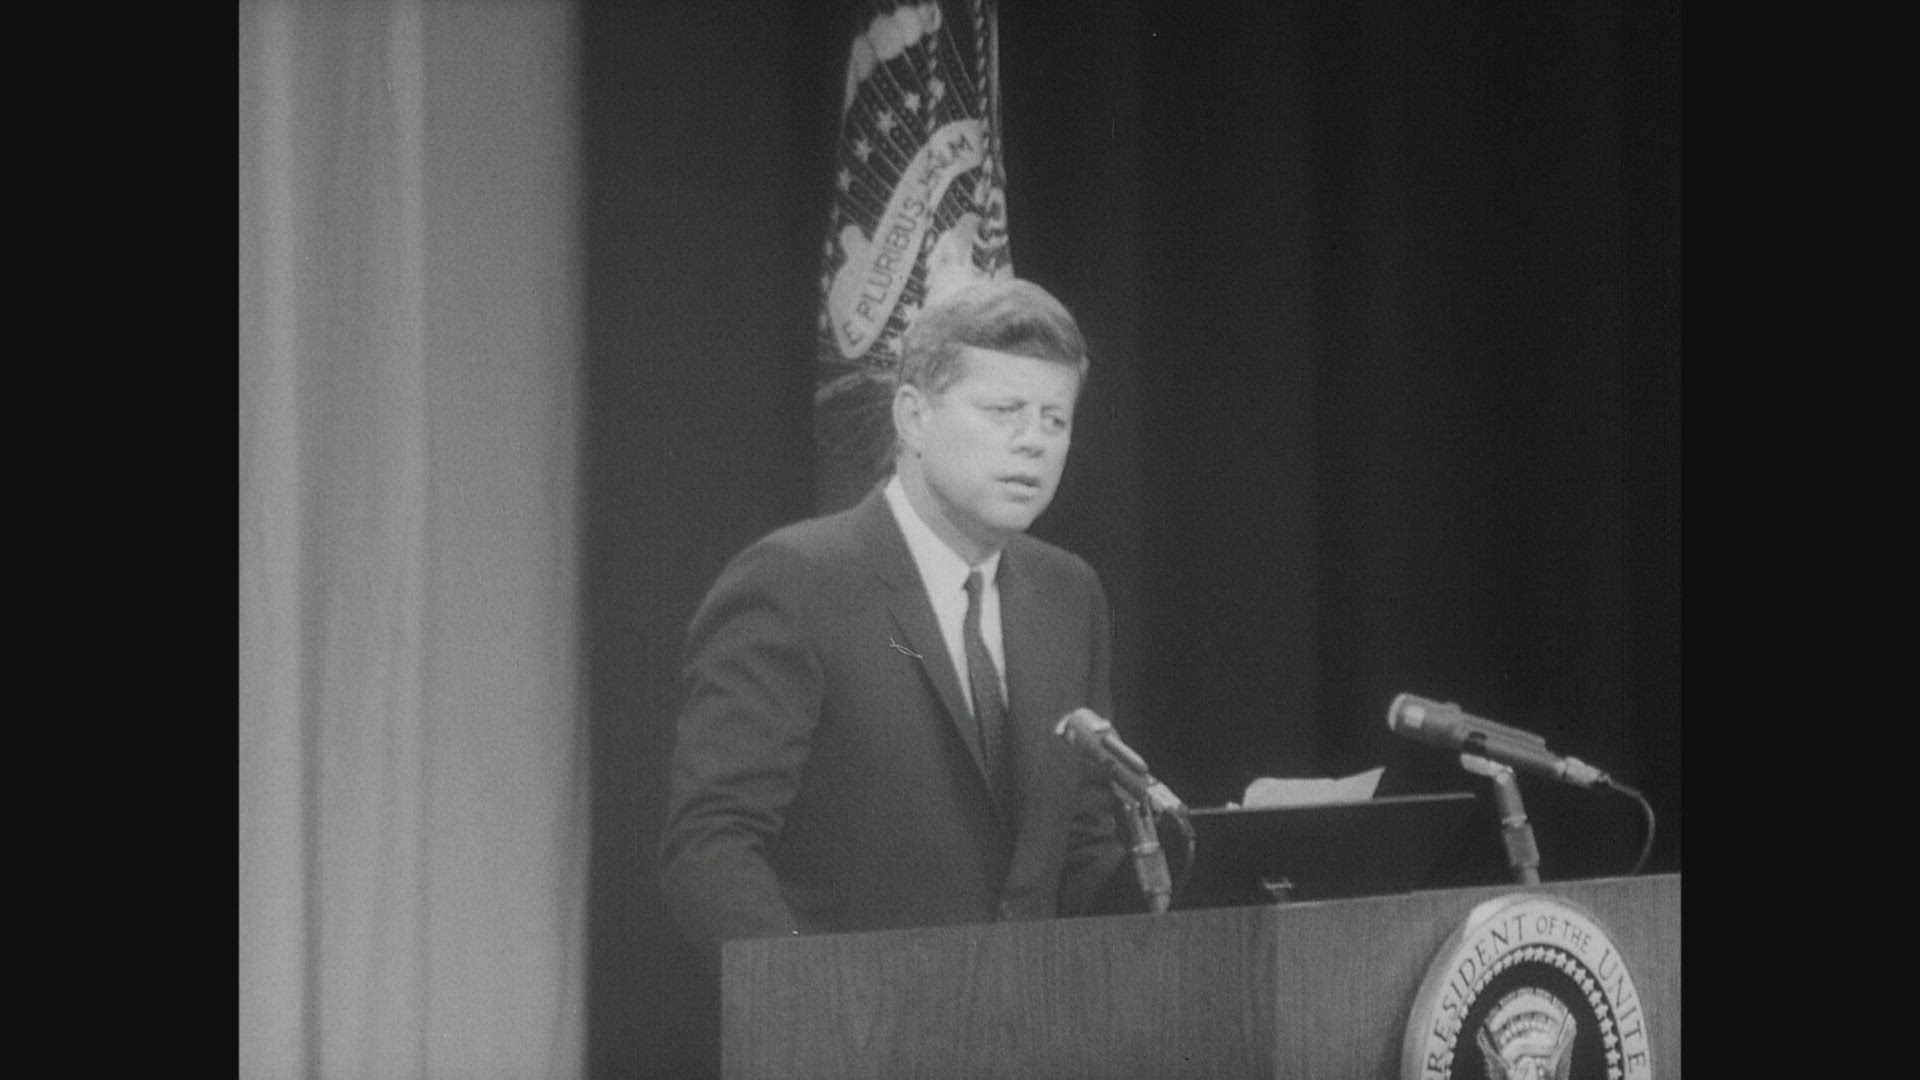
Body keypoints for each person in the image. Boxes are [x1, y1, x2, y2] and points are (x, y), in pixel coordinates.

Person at [660, 277, 1136, 941]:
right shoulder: (793, 584)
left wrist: (1229, 862)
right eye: (1005, 411)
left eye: (1054, 420)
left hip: (1033, 1007)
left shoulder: (1068, 594)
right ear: (913, 417)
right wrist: (809, 998)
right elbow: (713, 848)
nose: (1034, 441)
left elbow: (1080, 850)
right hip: (851, 1005)